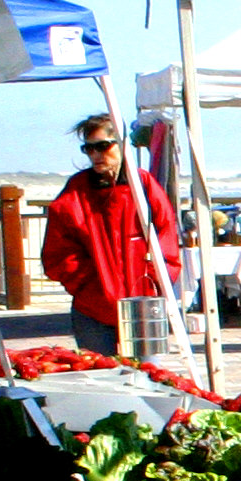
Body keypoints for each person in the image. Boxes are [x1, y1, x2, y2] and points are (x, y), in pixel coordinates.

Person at [39, 112, 182, 355]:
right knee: (102, 379)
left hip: (141, 305)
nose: (96, 155)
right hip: (93, 308)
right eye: (89, 149)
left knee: (150, 379)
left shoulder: (144, 186)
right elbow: (57, 252)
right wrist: (88, 284)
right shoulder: (76, 191)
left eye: (103, 146)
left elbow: (167, 241)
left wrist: (151, 283)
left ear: (121, 144)